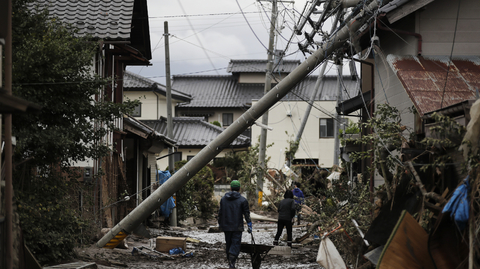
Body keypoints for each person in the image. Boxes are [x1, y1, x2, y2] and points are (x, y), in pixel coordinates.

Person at [218, 180, 252, 268]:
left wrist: (220, 223)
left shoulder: (223, 199)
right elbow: (246, 213)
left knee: (228, 244)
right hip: (237, 227)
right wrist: (249, 224)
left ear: (230, 188)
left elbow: (220, 213)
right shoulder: (243, 200)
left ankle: (231, 263)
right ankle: (232, 263)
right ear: (239, 189)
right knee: (235, 244)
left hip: (226, 226)